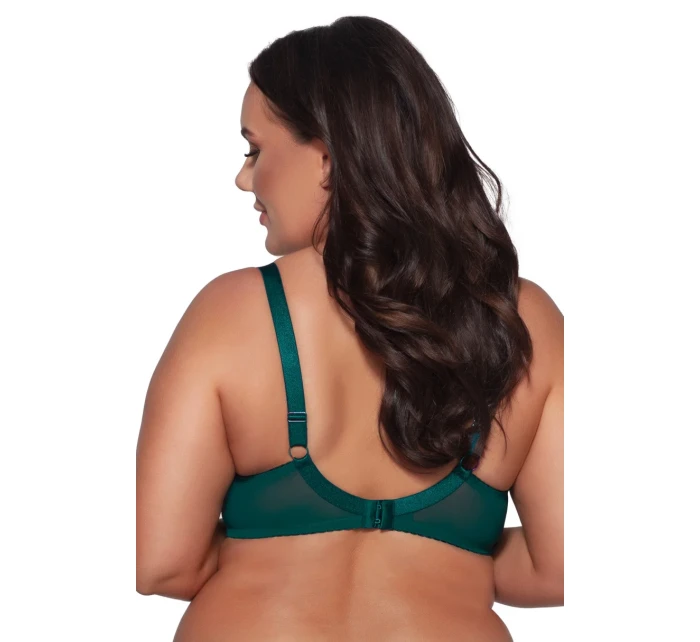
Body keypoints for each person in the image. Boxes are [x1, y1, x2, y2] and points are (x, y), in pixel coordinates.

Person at [136, 15, 563, 642]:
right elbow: (558, 570)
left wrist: (282, 548)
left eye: (255, 150)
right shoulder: (523, 319)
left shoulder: (229, 312)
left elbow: (165, 564)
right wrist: (439, 560)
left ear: (328, 158)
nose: (244, 177)